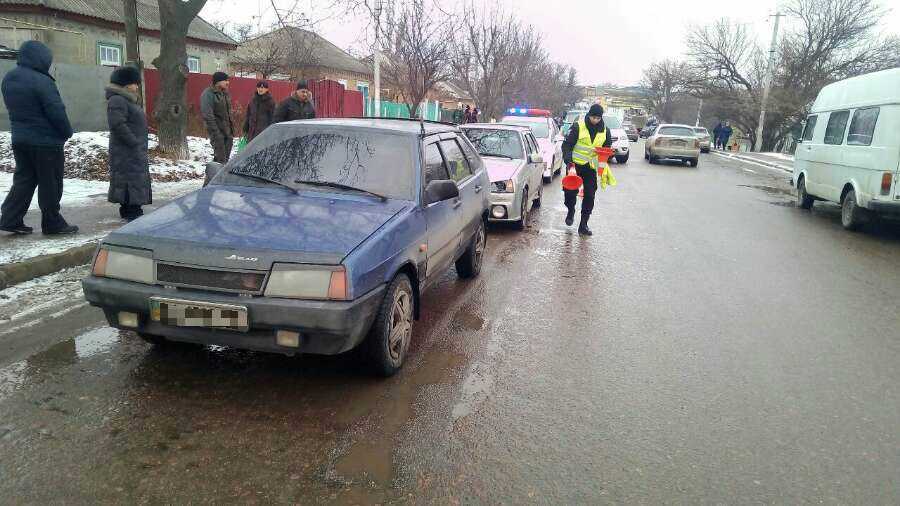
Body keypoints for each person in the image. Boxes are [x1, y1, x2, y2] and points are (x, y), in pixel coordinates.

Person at [0, 40, 77, 235]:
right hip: (46, 142)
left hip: (20, 139)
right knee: (50, 182)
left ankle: (10, 218)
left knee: (24, 180)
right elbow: (56, 111)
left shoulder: (9, 78)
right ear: (40, 59)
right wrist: (67, 132)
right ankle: (52, 223)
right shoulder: (42, 81)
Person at [105, 66, 150, 221]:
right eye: (134, 83)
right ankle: (132, 210)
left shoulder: (126, 100)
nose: (137, 86)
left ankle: (130, 208)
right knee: (129, 177)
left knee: (133, 177)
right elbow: (117, 124)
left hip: (132, 149)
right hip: (126, 150)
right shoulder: (118, 99)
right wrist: (134, 142)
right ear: (125, 83)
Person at [561, 103, 613, 236]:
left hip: (590, 167)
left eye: (598, 118)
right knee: (570, 193)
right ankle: (571, 210)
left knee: (590, 195)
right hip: (574, 166)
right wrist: (569, 162)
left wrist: (605, 155)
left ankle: (583, 224)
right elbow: (567, 145)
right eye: (593, 117)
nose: (595, 120)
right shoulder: (578, 126)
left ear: (601, 118)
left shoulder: (605, 131)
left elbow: (607, 148)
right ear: (589, 115)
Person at [200, 71, 235, 164]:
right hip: (217, 133)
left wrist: (231, 131)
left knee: (224, 161)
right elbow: (208, 116)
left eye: (228, 80)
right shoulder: (208, 94)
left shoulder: (225, 93)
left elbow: (228, 113)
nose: (228, 82)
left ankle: (218, 177)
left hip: (228, 133)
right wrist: (217, 134)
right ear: (218, 82)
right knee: (220, 161)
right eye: (225, 80)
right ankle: (212, 178)